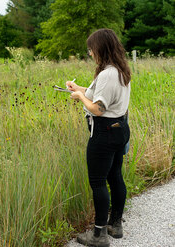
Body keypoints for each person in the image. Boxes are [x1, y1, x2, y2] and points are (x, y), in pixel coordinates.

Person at [66, 28, 131, 247]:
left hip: (104, 132)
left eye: (91, 49)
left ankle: (99, 235)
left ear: (100, 48)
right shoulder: (120, 70)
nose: (90, 53)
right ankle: (115, 225)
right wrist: (79, 89)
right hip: (120, 128)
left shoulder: (107, 74)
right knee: (115, 176)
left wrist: (80, 97)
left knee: (98, 182)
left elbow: (98, 108)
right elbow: (101, 95)